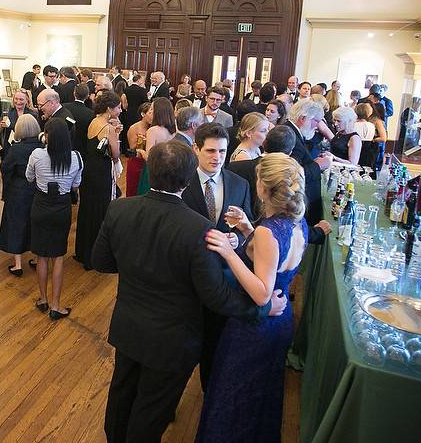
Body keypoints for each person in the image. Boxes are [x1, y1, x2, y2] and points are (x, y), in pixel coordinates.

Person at [92, 141, 286, 442]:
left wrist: (139, 267)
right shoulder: (200, 229)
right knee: (151, 410)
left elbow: (101, 262)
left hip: (128, 326)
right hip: (173, 340)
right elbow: (216, 296)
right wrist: (262, 308)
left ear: (151, 173)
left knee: (121, 398)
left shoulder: (119, 209)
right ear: (187, 179)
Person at [196, 153, 310, 443]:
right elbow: (275, 261)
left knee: (233, 393)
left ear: (263, 188)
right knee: (262, 393)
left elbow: (261, 293)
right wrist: (247, 228)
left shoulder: (268, 231)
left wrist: (228, 251)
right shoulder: (297, 224)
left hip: (255, 328)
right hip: (280, 323)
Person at [180, 122, 255, 389]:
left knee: (214, 339)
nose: (217, 158)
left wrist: (239, 238)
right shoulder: (182, 182)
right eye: (211, 151)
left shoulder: (240, 184)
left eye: (222, 152)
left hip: (222, 277)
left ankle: (208, 390)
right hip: (186, 277)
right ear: (196, 149)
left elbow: (248, 228)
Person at [27, 118, 83, 319]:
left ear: (47, 136)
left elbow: (29, 177)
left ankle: (42, 299)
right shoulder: (75, 157)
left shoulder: (37, 154)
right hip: (62, 207)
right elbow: (76, 184)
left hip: (41, 205)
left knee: (42, 255)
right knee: (58, 256)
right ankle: (56, 305)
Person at [75, 90, 123, 269]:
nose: (120, 110)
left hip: (89, 170)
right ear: (109, 109)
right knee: (100, 211)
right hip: (102, 173)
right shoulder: (108, 128)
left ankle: (83, 252)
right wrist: (116, 134)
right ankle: (95, 257)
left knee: (87, 211)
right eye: (118, 107)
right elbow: (116, 154)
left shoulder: (94, 122)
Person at [0, 114, 44, 276]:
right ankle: (38, 259)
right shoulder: (42, 147)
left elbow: (5, 168)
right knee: (35, 224)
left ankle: (18, 265)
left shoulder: (16, 149)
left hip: (18, 191)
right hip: (38, 190)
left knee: (16, 224)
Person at [285, 99, 331, 226]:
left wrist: (313, 162)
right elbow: (291, 173)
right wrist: (318, 165)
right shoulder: (291, 135)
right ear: (303, 118)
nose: (317, 125)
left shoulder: (293, 132)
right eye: (316, 120)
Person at [136, 97, 176, 195]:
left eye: (152, 109)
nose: (150, 111)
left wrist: (141, 151)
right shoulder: (174, 130)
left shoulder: (152, 130)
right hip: (169, 170)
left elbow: (149, 158)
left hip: (153, 171)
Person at [0, 88, 39, 156]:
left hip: (25, 150)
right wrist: (1, 126)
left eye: (21, 99)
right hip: (8, 149)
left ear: (27, 101)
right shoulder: (8, 112)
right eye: (16, 99)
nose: (18, 102)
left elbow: (35, 134)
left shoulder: (32, 115)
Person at [125, 102, 152, 197]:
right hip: (136, 162)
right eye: (150, 113)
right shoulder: (134, 128)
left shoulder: (154, 128)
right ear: (143, 114)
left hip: (148, 162)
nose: (153, 116)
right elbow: (132, 147)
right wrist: (143, 141)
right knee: (133, 188)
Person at [64, 83, 94, 158]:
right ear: (87, 96)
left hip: (65, 144)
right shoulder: (91, 113)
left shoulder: (64, 107)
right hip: (82, 148)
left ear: (74, 93)